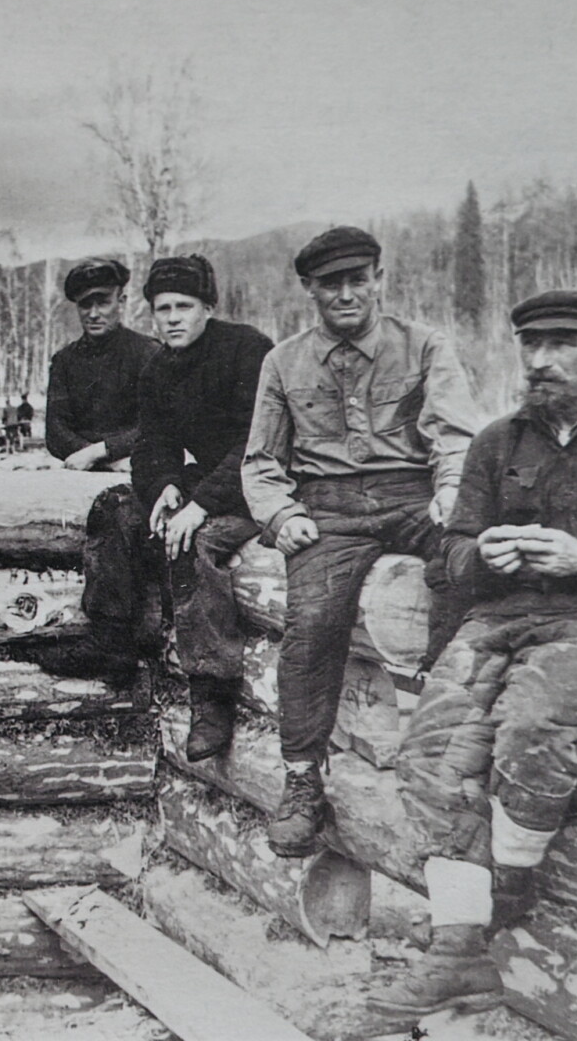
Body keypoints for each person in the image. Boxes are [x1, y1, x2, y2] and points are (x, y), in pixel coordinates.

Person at [368, 291, 577, 1022]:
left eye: (560, 342)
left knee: (533, 725)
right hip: (496, 620)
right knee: (429, 748)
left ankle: (503, 891)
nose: (539, 359)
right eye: (529, 343)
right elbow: (448, 553)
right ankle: (457, 957)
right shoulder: (496, 440)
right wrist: (478, 552)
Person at [242, 226, 482, 857]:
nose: (346, 294)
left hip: (413, 496)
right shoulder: (282, 361)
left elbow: (455, 436)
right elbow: (261, 462)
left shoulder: (426, 346)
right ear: (309, 290)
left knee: (466, 564)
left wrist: (452, 491)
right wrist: (278, 514)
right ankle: (301, 783)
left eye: (358, 279)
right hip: (330, 510)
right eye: (330, 284)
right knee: (313, 621)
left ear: (379, 280)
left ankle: (445, 740)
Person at [131, 256, 275, 759]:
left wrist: (200, 506)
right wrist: (166, 486)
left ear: (209, 308)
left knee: (199, 538)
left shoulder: (246, 350)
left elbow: (259, 443)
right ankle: (120, 647)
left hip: (269, 480)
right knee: (121, 512)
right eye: (162, 308)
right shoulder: (157, 368)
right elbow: (152, 445)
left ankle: (211, 695)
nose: (172, 318)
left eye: (184, 306)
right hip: (219, 477)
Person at [45, 258, 160, 470]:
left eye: (103, 303)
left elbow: (158, 424)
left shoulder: (148, 353)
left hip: (136, 468)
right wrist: (102, 460)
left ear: (122, 302)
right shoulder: (64, 360)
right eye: (85, 304)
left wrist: (101, 452)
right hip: (81, 469)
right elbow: (55, 432)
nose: (94, 314)